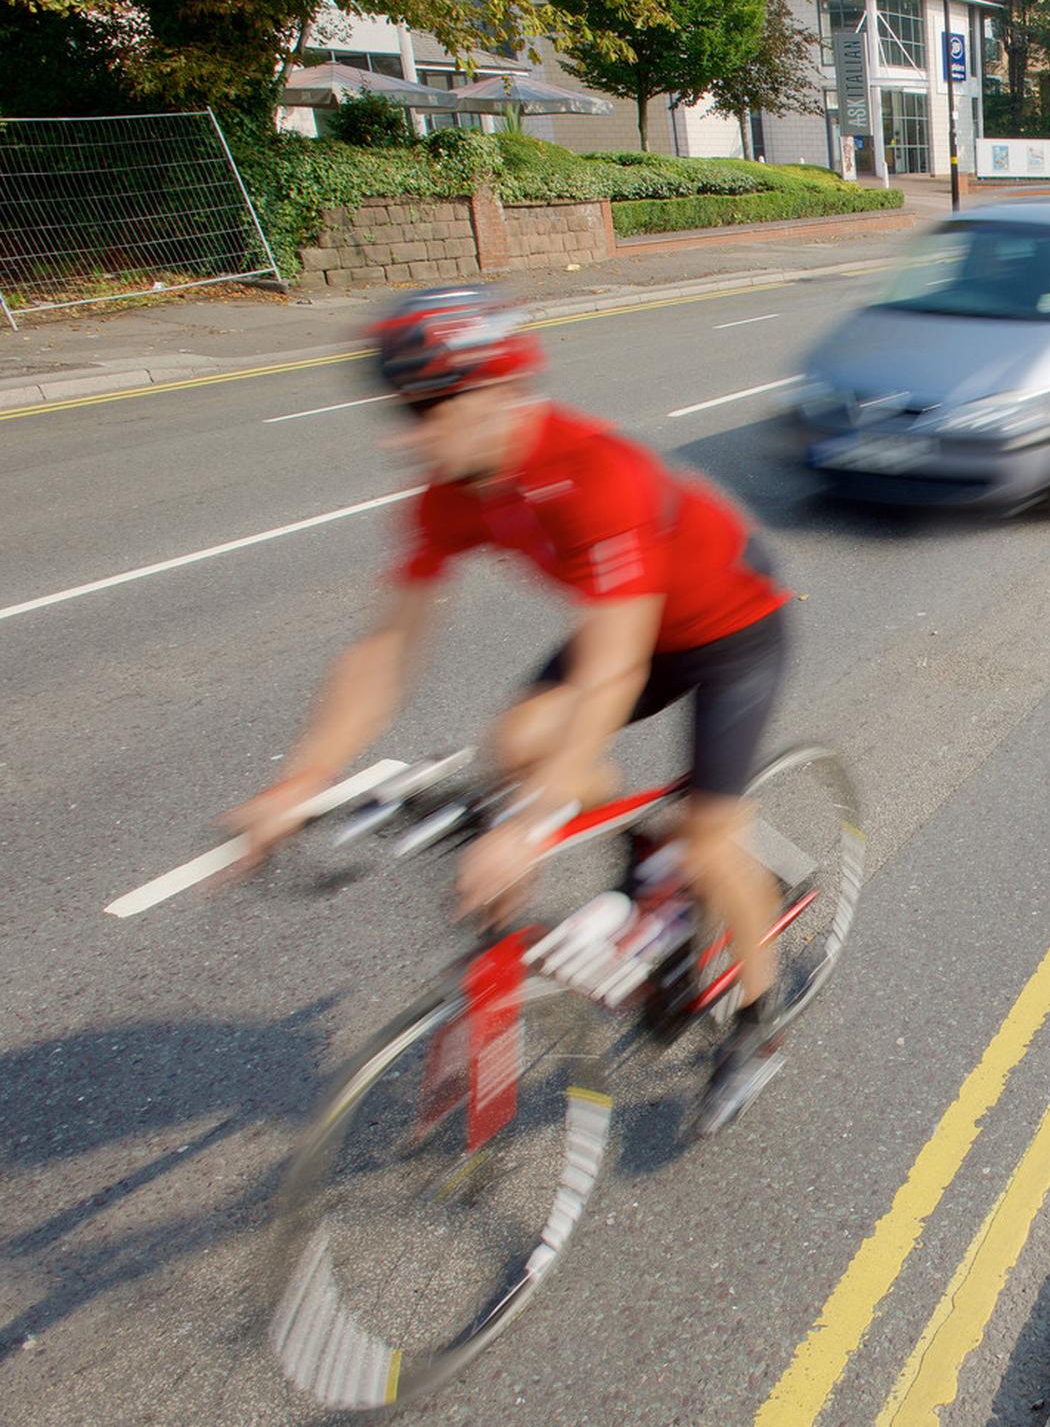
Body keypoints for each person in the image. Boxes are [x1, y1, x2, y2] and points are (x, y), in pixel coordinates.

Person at [228, 287, 800, 1130]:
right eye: (401, 408)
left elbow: (610, 674)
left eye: (426, 408)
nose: (405, 432)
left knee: (714, 840)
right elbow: (387, 646)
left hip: (731, 626)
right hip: (634, 622)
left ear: (496, 395)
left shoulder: (596, 472)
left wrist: (529, 830)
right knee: (519, 742)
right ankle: (651, 857)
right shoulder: (448, 492)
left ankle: (756, 1023)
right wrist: (301, 781)